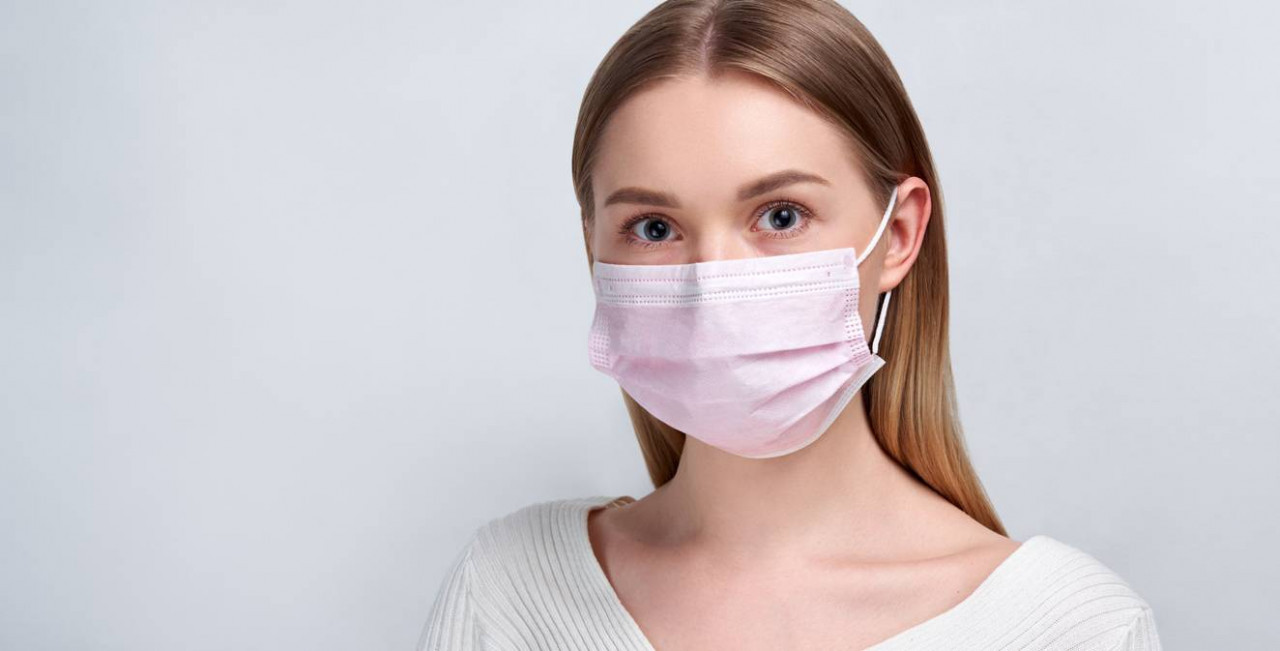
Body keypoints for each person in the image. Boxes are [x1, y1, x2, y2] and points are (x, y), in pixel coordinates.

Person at [420, 0, 1162, 649]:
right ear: (594, 244)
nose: (711, 286)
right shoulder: (506, 591)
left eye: (780, 216)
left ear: (899, 235)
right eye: (653, 227)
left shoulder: (1072, 630)